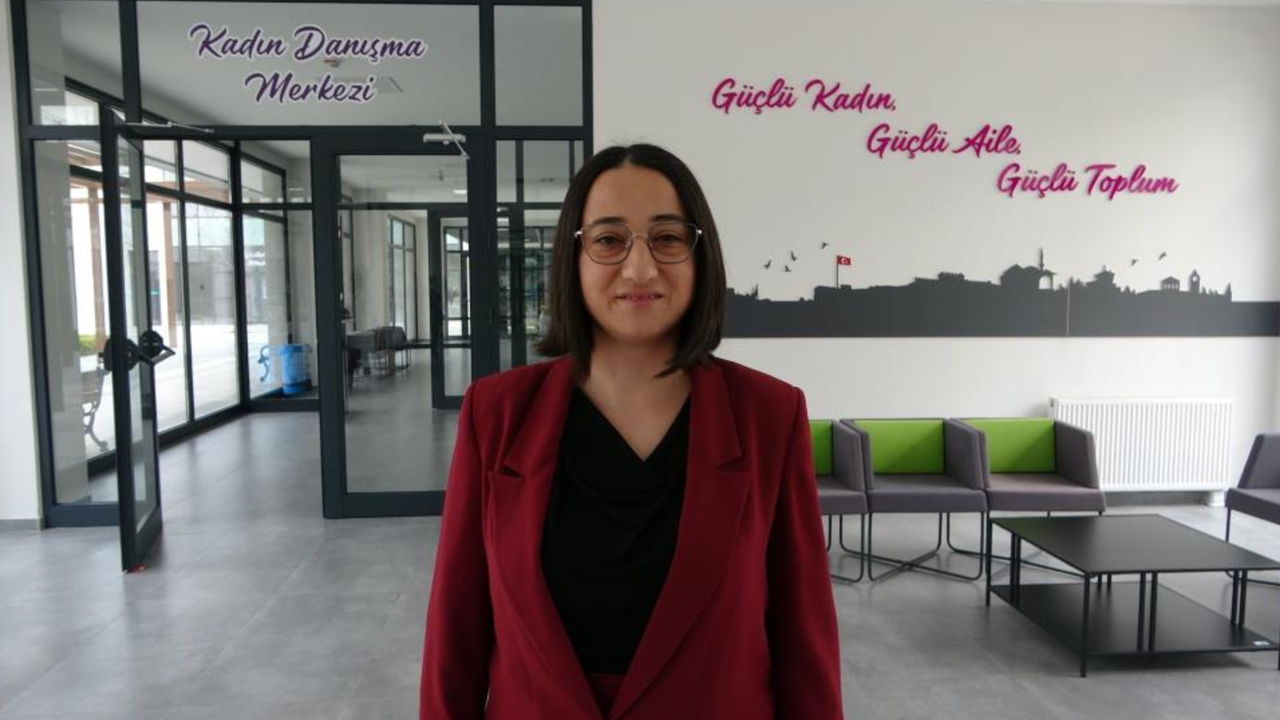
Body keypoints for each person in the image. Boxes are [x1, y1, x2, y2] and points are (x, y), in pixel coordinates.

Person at [420, 144, 842, 720]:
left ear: (700, 256)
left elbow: (803, 638)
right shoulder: (495, 413)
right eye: (609, 239)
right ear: (573, 256)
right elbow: (456, 632)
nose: (640, 269)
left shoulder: (769, 414)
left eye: (667, 238)